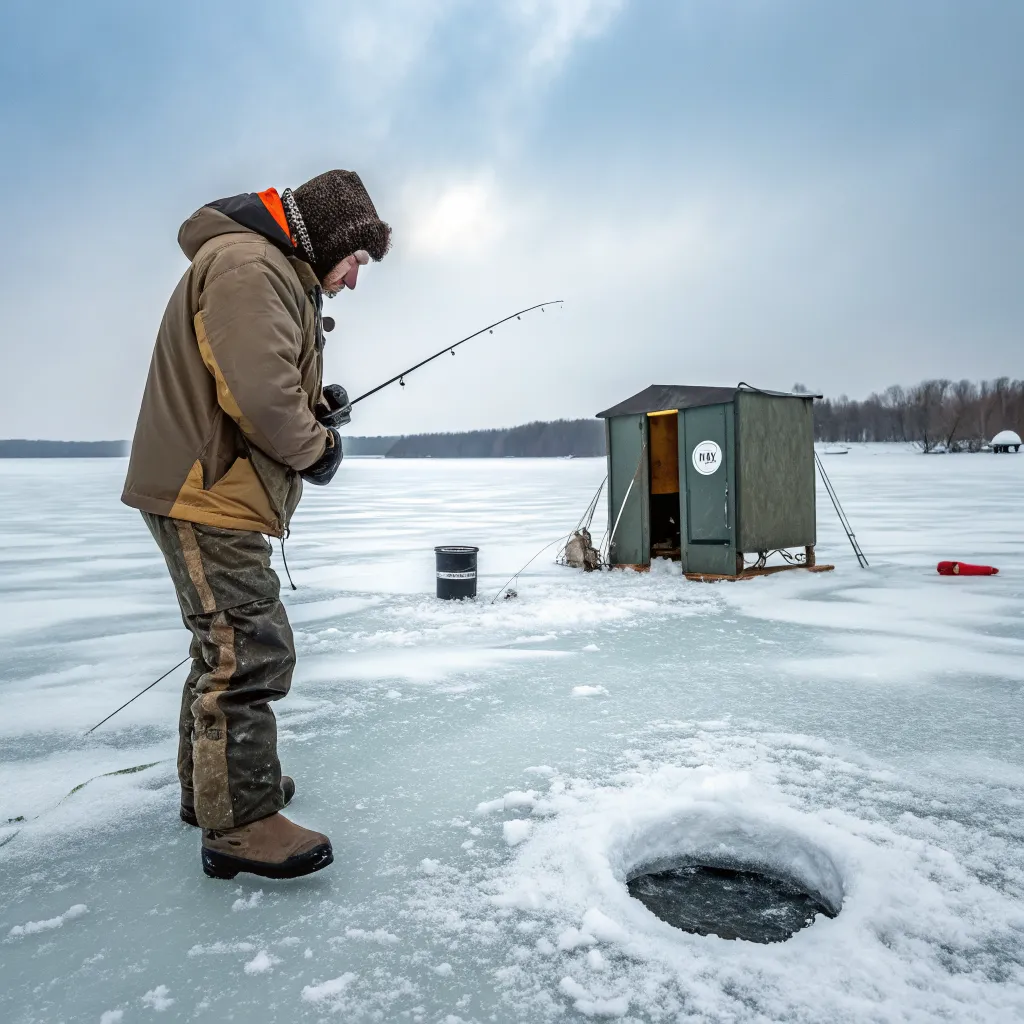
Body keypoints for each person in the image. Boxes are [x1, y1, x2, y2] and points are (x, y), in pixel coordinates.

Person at [122, 170, 390, 880]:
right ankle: (239, 822)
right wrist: (317, 448)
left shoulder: (264, 265)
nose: (354, 278)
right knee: (249, 645)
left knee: (220, 645)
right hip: (207, 489)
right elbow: (259, 396)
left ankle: (213, 791)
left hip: (210, 484)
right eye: (356, 259)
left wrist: (316, 405)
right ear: (329, 238)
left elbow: (260, 380)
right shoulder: (249, 264)